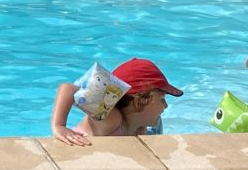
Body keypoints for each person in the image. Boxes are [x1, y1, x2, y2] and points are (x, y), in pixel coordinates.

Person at [50, 58, 183, 146]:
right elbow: (68, 89)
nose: (166, 105)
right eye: (162, 99)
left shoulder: (141, 125)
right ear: (140, 101)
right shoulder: (112, 119)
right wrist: (59, 126)